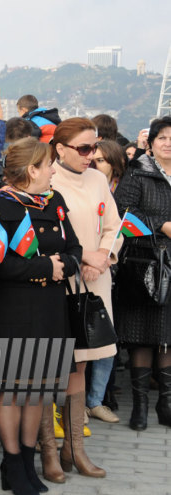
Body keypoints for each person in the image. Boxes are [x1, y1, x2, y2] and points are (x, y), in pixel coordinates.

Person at [0, 137, 82, 494]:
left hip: (50, 305)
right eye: (48, 164)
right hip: (13, 306)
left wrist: (62, 267)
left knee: (38, 390)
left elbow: (74, 247)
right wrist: (44, 267)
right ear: (31, 170)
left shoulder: (55, 200)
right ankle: (11, 463)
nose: (54, 169)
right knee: (11, 390)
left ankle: (27, 461)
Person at [40, 117, 116, 481]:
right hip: (58, 282)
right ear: (60, 149)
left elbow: (115, 225)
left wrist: (102, 256)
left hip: (96, 282)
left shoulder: (99, 179)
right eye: (84, 148)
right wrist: (84, 256)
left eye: (94, 147)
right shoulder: (45, 178)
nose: (91, 155)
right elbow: (48, 235)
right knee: (49, 366)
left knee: (81, 364)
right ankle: (49, 451)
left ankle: (75, 448)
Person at [113, 115, 171, 431]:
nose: (168, 144)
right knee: (141, 337)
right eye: (163, 138)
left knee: (168, 337)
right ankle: (140, 405)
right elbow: (123, 212)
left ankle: (166, 402)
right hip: (144, 265)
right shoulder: (138, 172)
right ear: (151, 142)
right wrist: (161, 225)